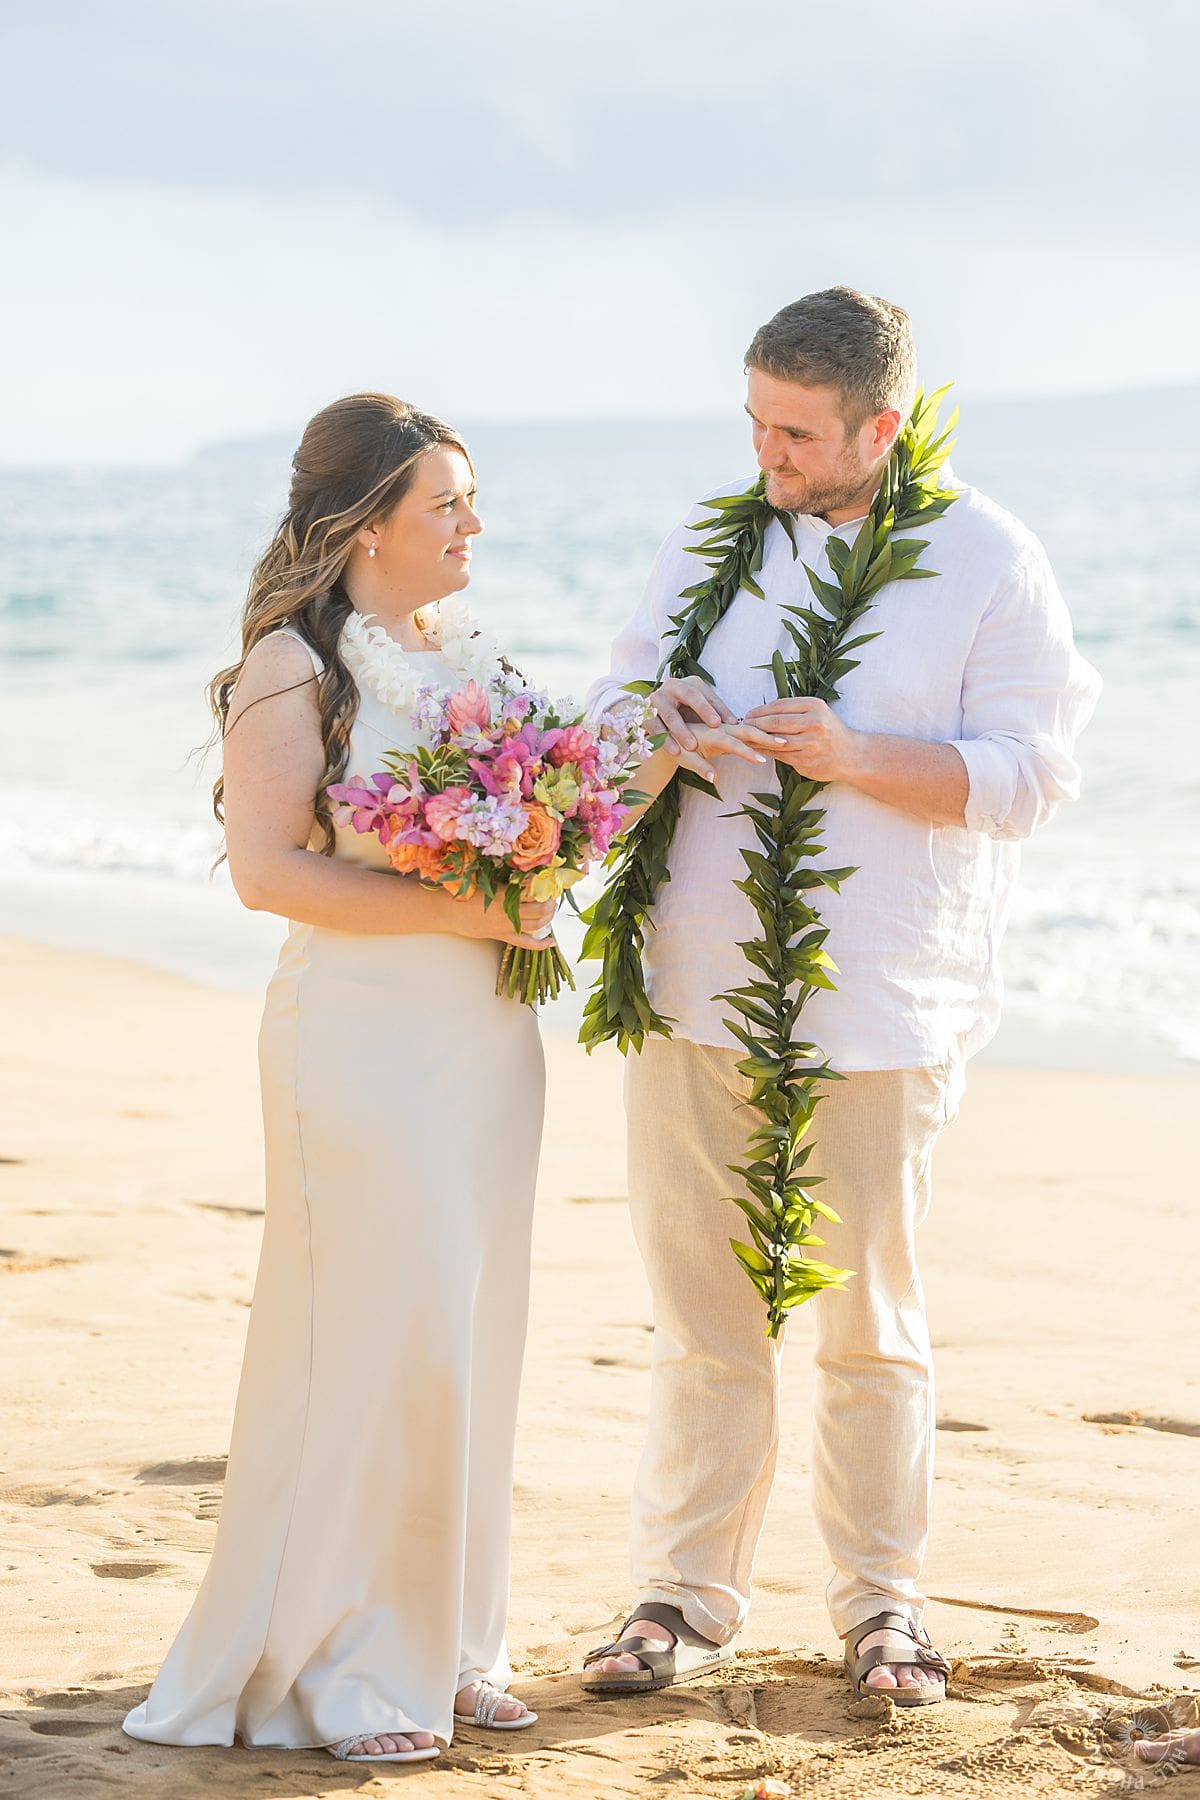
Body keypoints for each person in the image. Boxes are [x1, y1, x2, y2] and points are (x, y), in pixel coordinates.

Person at [579, 288, 1102, 1705]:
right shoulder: (716, 546)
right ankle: (682, 1596)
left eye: (798, 434)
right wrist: (659, 719)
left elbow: (1033, 775)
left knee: (868, 1320)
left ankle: (883, 1604)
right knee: (702, 1314)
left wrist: (859, 755)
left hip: (884, 995)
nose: (768, 454)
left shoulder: (988, 557)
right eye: (755, 422)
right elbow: (612, 704)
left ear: (882, 425)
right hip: (691, 981)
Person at [123, 394, 550, 1764]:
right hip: (363, 1045)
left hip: (485, 1040)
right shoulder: (290, 670)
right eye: (447, 503)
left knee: (470, 1329)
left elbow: (530, 820)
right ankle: (341, 1660)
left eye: (472, 500)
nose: (473, 524)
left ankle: (453, 1641)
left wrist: (576, 819)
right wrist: (468, 907)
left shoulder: (463, 655)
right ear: (369, 525)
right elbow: (267, 873)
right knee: (373, 1337)